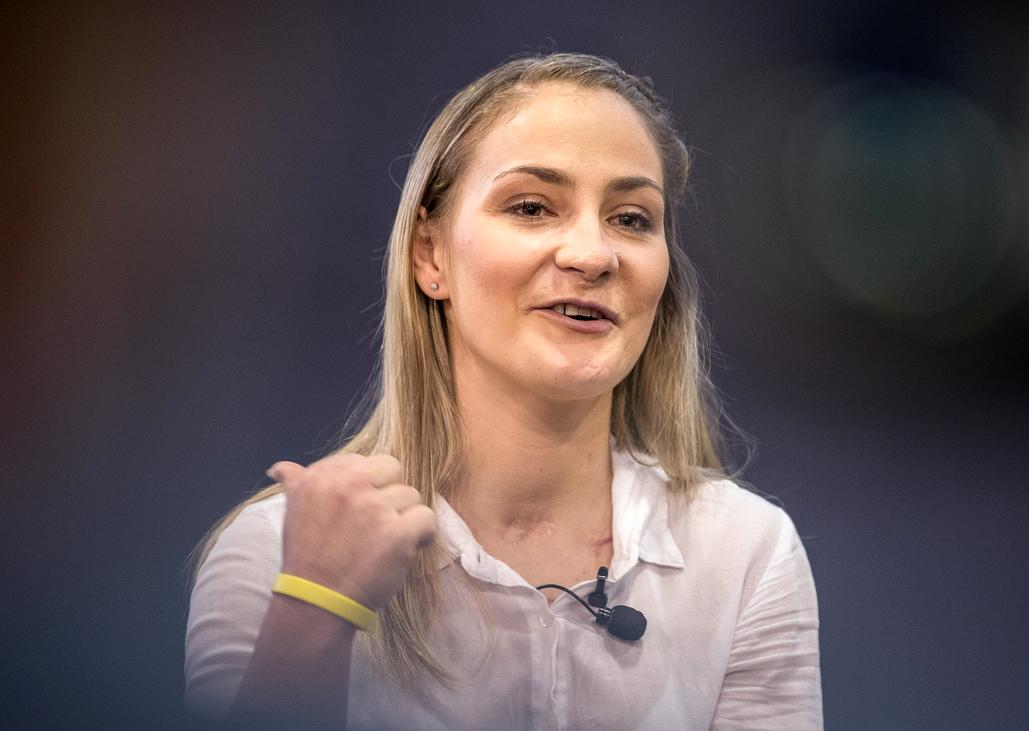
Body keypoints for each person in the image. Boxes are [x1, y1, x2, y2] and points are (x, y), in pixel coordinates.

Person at [185, 52, 821, 730]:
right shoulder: (278, 553)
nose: (592, 255)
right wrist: (316, 608)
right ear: (430, 255)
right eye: (531, 207)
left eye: (632, 218)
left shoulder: (745, 553)